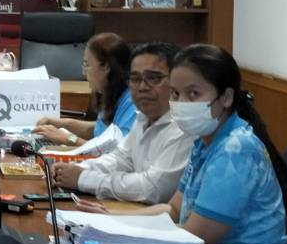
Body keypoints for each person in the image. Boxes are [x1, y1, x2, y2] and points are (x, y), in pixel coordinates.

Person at [102, 44, 287, 244]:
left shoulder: (236, 151)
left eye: (193, 94)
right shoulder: (205, 142)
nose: (181, 104)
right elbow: (172, 209)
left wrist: (119, 243)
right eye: (176, 94)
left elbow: (193, 240)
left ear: (226, 97)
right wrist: (110, 222)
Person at [52, 42, 193, 203]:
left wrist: (84, 179)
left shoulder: (184, 126)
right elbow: (121, 159)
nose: (142, 87)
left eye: (153, 78)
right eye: (135, 79)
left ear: (176, 81)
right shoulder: (144, 117)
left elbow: (152, 189)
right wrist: (77, 169)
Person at [33, 32, 135, 146]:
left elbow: (115, 152)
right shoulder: (112, 93)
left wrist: (70, 139)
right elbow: (99, 130)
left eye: (87, 65)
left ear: (106, 67)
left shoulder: (133, 103)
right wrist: (56, 123)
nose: (83, 72)